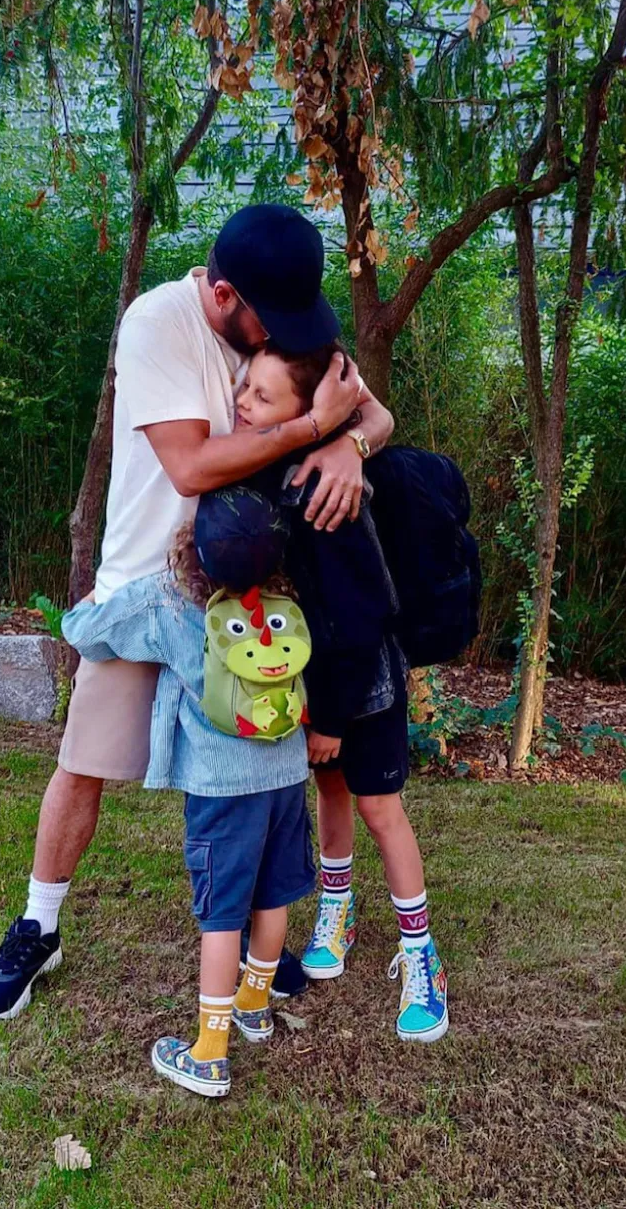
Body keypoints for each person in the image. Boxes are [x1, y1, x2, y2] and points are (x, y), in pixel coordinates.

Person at [0, 204, 394, 1021]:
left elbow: (372, 411)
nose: (292, 336)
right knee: (84, 762)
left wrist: (348, 444)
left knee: (263, 780)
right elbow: (193, 464)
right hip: (143, 587)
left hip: (250, 599)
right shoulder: (157, 321)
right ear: (226, 295)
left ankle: (252, 950)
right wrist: (312, 424)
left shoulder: (286, 323)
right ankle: (39, 925)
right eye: (274, 321)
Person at [62, 487, 316, 1098]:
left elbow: (87, 634)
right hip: (285, 772)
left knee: (222, 913)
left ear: (190, 544)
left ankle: (207, 1052)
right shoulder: (286, 600)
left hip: (220, 785)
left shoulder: (167, 601)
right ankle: (254, 1004)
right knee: (274, 891)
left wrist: (88, 602)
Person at [237, 344, 449, 1043]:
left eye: (263, 397)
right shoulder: (274, 474)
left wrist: (329, 716)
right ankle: (338, 907)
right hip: (315, 680)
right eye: (245, 388)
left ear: (307, 412)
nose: (243, 403)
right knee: (328, 793)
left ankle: (422, 954)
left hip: (366, 684)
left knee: (380, 807)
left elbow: (362, 615)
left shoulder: (329, 493)